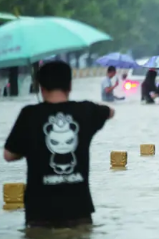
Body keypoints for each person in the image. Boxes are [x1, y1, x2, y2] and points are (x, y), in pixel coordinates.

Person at [3, 61, 114, 228]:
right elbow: (110, 111)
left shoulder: (29, 114)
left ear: (40, 86)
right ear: (70, 85)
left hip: (39, 214)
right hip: (79, 212)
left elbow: (9, 155)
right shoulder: (86, 111)